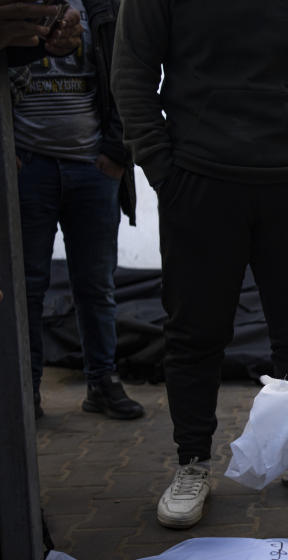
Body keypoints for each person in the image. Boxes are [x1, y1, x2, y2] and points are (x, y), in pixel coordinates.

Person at [112, 0, 288, 529]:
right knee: (194, 334)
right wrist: (162, 169)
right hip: (200, 181)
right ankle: (192, 463)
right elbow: (131, 72)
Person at [13, 0, 143, 421]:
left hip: (92, 167)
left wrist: (118, 151)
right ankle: (26, 390)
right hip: (28, 165)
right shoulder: (13, 8)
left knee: (96, 283)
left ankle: (102, 383)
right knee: (27, 287)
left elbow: (130, 73)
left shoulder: (102, 5)